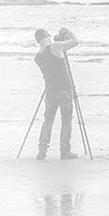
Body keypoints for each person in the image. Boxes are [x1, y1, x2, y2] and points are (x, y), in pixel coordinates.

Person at [32, 26, 80, 160]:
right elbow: (75, 41)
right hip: (64, 90)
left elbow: (53, 66)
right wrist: (67, 30)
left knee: (48, 121)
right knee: (66, 122)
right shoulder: (55, 47)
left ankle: (42, 150)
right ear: (46, 36)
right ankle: (65, 151)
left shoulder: (38, 57)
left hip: (50, 91)